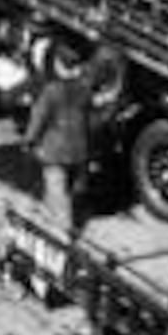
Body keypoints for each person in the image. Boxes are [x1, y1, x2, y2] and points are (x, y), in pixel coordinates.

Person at [24, 45, 98, 227]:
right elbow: (91, 117)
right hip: (79, 148)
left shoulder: (52, 90)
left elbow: (39, 117)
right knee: (72, 190)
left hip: (55, 150)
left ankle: (62, 233)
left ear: (58, 65)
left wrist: (29, 140)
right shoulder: (85, 90)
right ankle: (61, 218)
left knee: (57, 191)